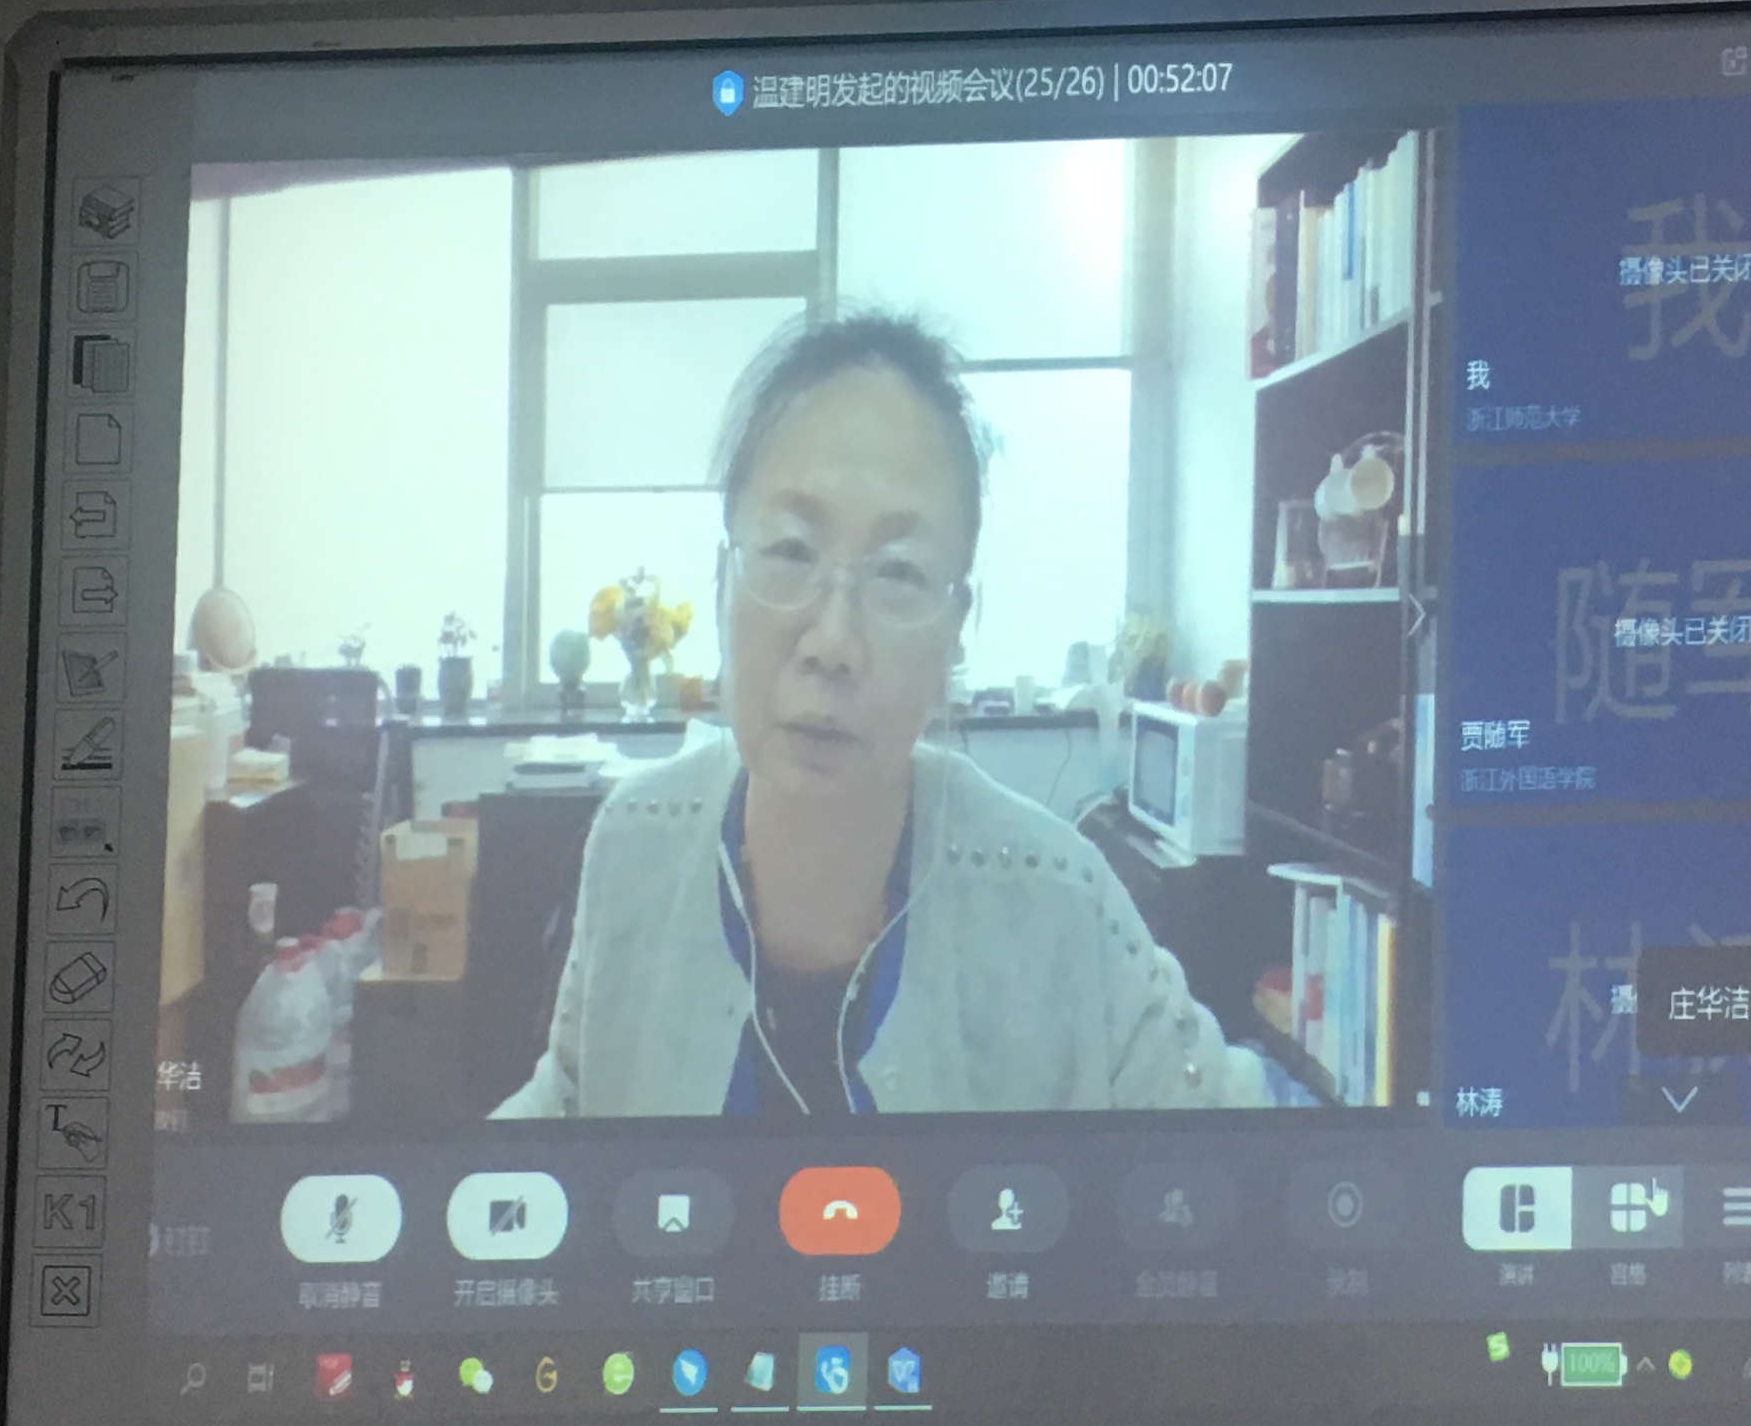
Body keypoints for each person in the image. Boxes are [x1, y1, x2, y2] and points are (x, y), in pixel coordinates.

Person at [494, 314, 1269, 1117]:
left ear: (954, 627)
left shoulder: (1058, 901)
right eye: (791, 551)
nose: (832, 642)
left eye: (898, 572)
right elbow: (567, 1102)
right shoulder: (635, 843)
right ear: (723, 580)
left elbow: (1233, 1141)